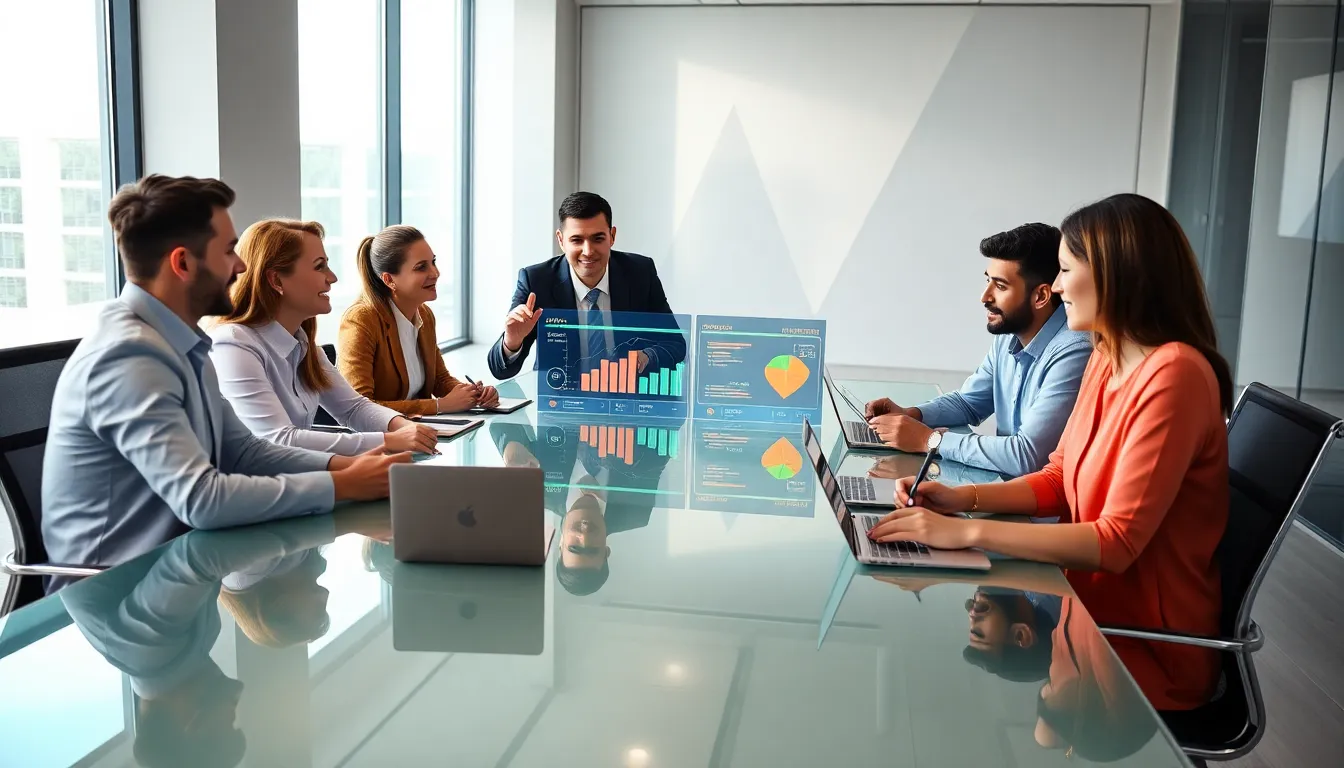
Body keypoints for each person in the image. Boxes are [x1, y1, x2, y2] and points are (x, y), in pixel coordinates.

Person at [869, 193, 1232, 712]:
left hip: (1137, 650)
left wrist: (965, 533)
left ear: (1117, 274)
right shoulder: (1108, 358)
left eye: (1064, 271)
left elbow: (1118, 541)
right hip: (1079, 618)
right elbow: (1059, 476)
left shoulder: (1174, 374)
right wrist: (958, 498)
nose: (1057, 288)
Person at [41, 175, 407, 586]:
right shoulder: (130, 356)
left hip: (179, 581)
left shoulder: (182, 342)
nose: (239, 266)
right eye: (229, 251)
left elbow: (245, 451)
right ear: (182, 263)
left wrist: (353, 468)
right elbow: (201, 499)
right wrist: (340, 484)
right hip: (118, 596)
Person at [865, 223, 1091, 477]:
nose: (985, 296)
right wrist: (912, 414)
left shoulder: (1075, 352)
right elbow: (968, 403)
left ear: (1041, 296)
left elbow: (1026, 456)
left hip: (1036, 513)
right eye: (987, 281)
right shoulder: (1010, 334)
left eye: (1001, 286)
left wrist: (929, 440)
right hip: (1002, 490)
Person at [210, 218, 439, 456]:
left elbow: (353, 408)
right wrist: (389, 440)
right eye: (319, 266)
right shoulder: (233, 343)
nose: (332, 277)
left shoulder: (304, 344)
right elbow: (278, 439)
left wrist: (405, 427)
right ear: (276, 280)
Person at [486, 191, 685, 381]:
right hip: (559, 402)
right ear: (561, 240)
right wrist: (511, 342)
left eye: (598, 238)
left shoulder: (640, 273)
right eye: (577, 240)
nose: (588, 251)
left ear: (612, 236)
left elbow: (676, 344)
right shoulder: (536, 281)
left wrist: (646, 356)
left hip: (626, 402)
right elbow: (500, 371)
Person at [337, 225, 498, 416]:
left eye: (433, 262)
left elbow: (439, 379)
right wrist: (440, 406)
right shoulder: (361, 320)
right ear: (389, 280)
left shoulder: (424, 315)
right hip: (379, 440)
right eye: (421, 267)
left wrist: (474, 394)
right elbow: (359, 408)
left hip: (419, 434)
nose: (435, 273)